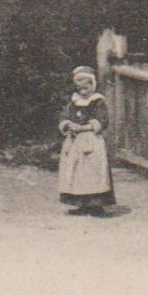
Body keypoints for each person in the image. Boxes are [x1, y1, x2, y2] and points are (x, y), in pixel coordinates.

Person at [58, 65, 116, 215]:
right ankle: (81, 203)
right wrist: (67, 124)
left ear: (93, 85)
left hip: (91, 141)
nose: (83, 92)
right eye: (79, 89)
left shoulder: (97, 102)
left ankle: (96, 205)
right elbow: (64, 116)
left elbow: (102, 121)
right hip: (76, 141)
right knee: (77, 172)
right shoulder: (74, 102)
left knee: (93, 171)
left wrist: (83, 128)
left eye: (86, 88)